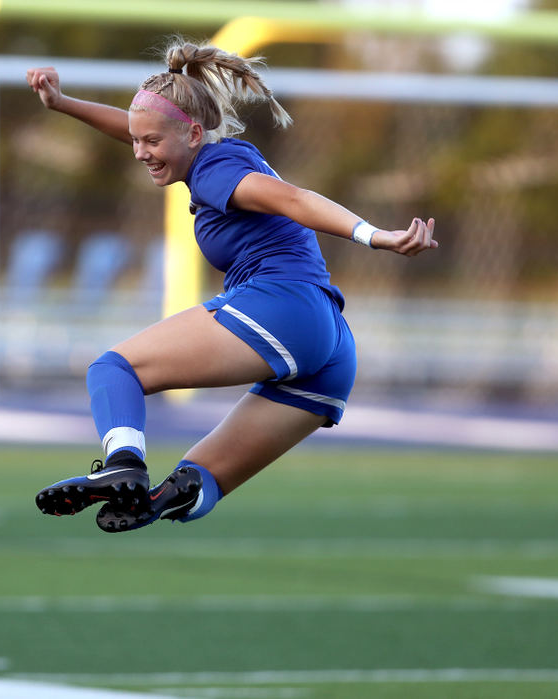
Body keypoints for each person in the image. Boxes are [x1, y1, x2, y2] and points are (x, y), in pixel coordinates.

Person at [27, 41, 436, 533]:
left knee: (113, 370)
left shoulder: (215, 171)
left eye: (150, 142)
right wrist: (63, 103)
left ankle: (125, 467)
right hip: (330, 349)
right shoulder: (209, 153)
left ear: (193, 133)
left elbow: (293, 198)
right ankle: (159, 499)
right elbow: (143, 130)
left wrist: (374, 236)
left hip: (282, 308)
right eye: (136, 140)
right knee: (198, 480)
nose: (139, 152)